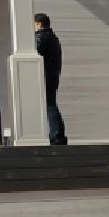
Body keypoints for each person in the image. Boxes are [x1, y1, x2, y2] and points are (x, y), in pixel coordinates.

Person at [34, 12, 68, 145]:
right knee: (51, 103)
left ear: (38, 24)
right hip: (52, 74)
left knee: (49, 104)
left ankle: (56, 135)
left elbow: (34, 52)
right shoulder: (53, 37)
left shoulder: (42, 37)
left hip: (45, 75)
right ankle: (57, 134)